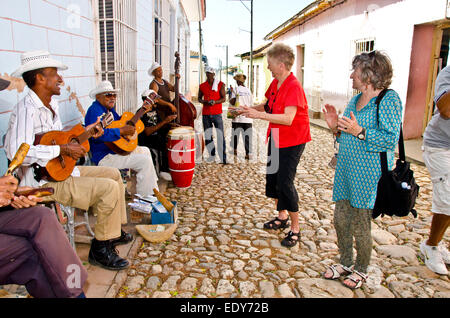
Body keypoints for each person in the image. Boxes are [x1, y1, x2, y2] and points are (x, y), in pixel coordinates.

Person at [5, 51, 131, 271]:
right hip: (42, 183)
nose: (60, 79)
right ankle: (99, 249)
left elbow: (59, 142)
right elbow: (17, 150)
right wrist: (62, 148)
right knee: (108, 188)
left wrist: (84, 137)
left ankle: (112, 233)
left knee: (113, 175)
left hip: (61, 172)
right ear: (39, 78)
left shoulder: (51, 108)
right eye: (54, 74)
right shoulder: (27, 109)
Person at [322, 50, 402, 289]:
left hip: (368, 175)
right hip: (346, 171)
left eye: (354, 71)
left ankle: (362, 268)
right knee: (340, 220)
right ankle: (345, 262)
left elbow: (390, 139)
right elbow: (347, 133)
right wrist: (334, 127)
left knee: (361, 224)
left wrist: (359, 130)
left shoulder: (388, 99)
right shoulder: (355, 101)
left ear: (368, 75)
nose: (351, 76)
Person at [239, 43, 311, 248]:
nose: (267, 67)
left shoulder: (293, 86)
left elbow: (288, 118)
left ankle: (296, 228)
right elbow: (267, 105)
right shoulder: (276, 83)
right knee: (274, 179)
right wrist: (247, 109)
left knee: (286, 182)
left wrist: (258, 115)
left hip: (293, 140)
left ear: (281, 64)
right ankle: (282, 217)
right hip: (277, 137)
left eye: (269, 63)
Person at [85, 80, 159, 196]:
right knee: (145, 162)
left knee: (145, 150)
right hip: (105, 156)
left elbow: (122, 123)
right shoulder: (95, 111)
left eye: (114, 95)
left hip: (115, 151)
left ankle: (151, 189)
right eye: (108, 95)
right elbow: (98, 135)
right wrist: (121, 131)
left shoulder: (110, 111)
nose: (113, 98)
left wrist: (141, 111)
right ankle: (146, 199)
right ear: (98, 96)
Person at [419, 65, 450, 275]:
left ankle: (438, 243)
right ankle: (430, 245)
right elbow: (445, 109)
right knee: (447, 198)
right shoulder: (448, 73)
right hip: (441, 145)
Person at [138, 62, 178, 181]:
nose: (156, 101)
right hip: (148, 138)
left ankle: (167, 167)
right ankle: (163, 170)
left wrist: (170, 123)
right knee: (163, 143)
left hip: (157, 130)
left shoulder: (154, 109)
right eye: (154, 99)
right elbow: (148, 131)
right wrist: (165, 120)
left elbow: (159, 123)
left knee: (168, 139)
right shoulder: (141, 113)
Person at [198, 66, 227, 164]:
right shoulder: (202, 86)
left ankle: (223, 158)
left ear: (214, 74)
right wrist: (205, 102)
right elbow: (199, 98)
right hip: (206, 114)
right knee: (208, 136)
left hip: (217, 114)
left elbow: (224, 98)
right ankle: (212, 155)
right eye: (207, 73)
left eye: (210, 73)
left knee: (220, 135)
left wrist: (215, 102)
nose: (209, 75)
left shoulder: (220, 85)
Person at [229, 73, 253, 160]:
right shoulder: (248, 90)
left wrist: (232, 93)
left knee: (235, 134)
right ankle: (248, 153)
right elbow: (251, 103)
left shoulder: (235, 89)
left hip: (237, 116)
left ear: (237, 81)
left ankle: (234, 149)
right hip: (247, 116)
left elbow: (232, 102)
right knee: (247, 136)